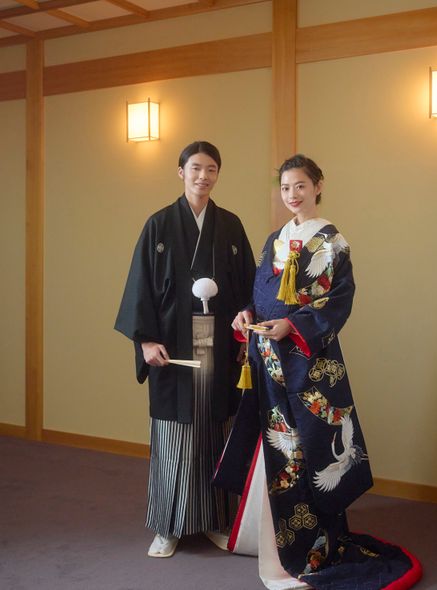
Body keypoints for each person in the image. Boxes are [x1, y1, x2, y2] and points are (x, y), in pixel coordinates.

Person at [214, 155, 422, 589]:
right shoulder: (275, 239)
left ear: (318, 186)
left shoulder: (332, 241)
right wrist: (246, 313)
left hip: (308, 364)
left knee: (307, 448)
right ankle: (271, 540)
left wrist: (292, 326)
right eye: (285, 188)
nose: (292, 195)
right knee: (276, 447)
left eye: (301, 186)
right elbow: (261, 294)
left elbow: (338, 301)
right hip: (269, 359)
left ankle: (309, 548)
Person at [115, 141, 256, 558]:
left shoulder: (229, 225)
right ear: (181, 172)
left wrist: (246, 325)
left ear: (217, 174)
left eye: (211, 169)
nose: (203, 176)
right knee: (174, 433)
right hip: (172, 344)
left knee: (215, 429)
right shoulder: (159, 225)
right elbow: (140, 285)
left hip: (219, 342)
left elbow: (248, 286)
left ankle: (215, 519)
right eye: (195, 168)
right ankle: (167, 526)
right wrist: (145, 340)